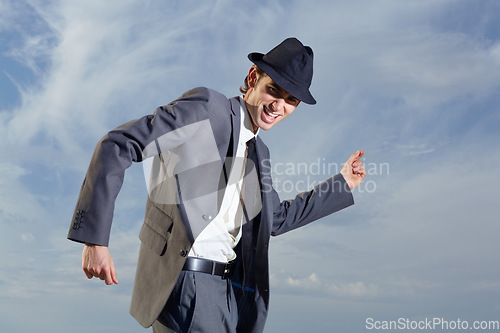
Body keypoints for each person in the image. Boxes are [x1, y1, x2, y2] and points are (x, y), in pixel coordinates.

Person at [68, 37, 366, 333]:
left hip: (228, 290)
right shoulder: (209, 109)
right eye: (273, 90)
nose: (278, 106)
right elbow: (119, 144)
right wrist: (95, 240)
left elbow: (276, 218)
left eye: (291, 101)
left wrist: (342, 184)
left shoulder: (259, 152)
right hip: (187, 281)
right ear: (253, 78)